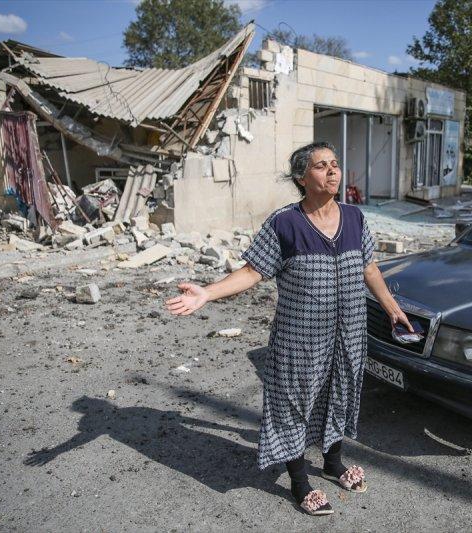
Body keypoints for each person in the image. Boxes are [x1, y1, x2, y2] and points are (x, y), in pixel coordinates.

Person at [164, 141, 413, 516]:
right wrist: (207, 294)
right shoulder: (285, 223)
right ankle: (299, 481)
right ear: (301, 177)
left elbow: (370, 268)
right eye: (320, 166)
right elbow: (252, 271)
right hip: (300, 341)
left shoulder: (355, 218)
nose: (332, 171)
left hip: (348, 337)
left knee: (339, 395)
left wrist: (393, 309)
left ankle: (333, 461)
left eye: (335, 164)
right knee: (293, 405)